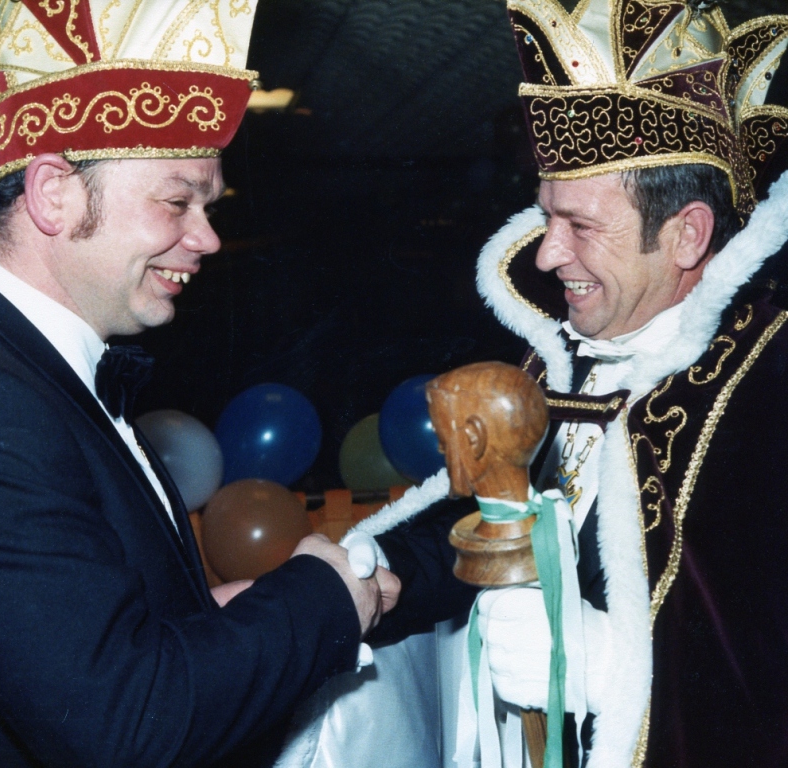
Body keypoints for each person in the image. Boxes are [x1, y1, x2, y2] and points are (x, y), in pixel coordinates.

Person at [0, 2, 400, 766]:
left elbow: (80, 642)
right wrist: (323, 596)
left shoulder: (9, 369)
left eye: (207, 207)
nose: (206, 237)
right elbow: (123, 724)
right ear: (54, 193)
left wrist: (220, 618)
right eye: (177, 201)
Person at [275, 2, 788, 767]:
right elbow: (491, 518)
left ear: (685, 235)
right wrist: (385, 577)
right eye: (546, 218)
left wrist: (611, 670)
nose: (547, 256)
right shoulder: (561, 356)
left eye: (581, 226)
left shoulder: (767, 386)